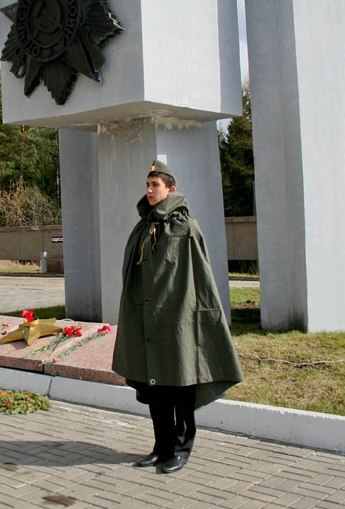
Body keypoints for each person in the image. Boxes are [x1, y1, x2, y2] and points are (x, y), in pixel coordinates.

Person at [112, 159, 243, 474]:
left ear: (171, 189)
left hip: (179, 319)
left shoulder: (185, 226)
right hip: (148, 319)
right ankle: (162, 446)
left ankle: (182, 448)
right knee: (156, 385)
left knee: (181, 383)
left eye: (155, 185)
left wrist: (201, 317)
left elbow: (201, 277)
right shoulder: (143, 227)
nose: (149, 191)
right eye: (147, 185)